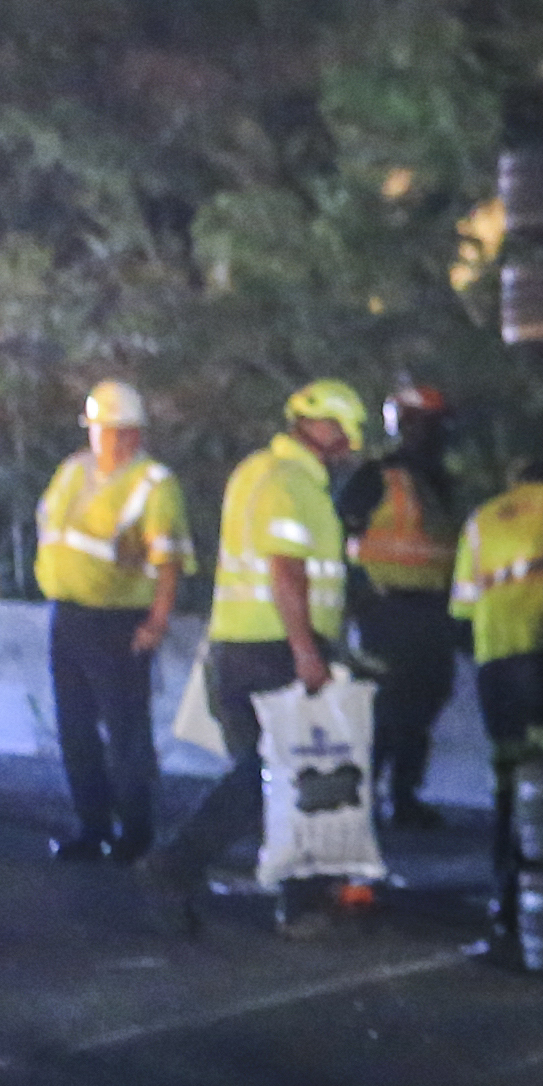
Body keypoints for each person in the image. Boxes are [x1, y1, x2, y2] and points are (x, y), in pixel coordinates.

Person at [155, 378, 367, 930]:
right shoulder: (290, 482)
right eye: (344, 431)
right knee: (283, 777)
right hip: (277, 650)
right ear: (318, 426)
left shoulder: (256, 472)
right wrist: (307, 653)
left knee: (275, 777)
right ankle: (181, 864)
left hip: (239, 646)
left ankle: (295, 898)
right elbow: (285, 569)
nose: (350, 444)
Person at [29, 380, 188, 861]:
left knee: (125, 733)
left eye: (121, 431)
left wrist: (157, 621)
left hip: (120, 621)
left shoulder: (154, 483)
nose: (112, 439)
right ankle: (92, 827)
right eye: (103, 429)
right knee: (75, 728)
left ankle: (136, 833)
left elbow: (170, 560)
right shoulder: (72, 471)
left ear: (137, 434)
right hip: (70, 616)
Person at [456, 442, 543, 906]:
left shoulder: (481, 518)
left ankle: (506, 887)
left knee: (508, 769)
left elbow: (461, 605)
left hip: (495, 656)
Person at [340, 382, 465, 827]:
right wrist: (359, 600)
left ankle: (404, 794)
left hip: (432, 612)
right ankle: (366, 793)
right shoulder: (376, 478)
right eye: (426, 424)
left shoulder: (441, 483)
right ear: (406, 425)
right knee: (387, 707)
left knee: (424, 702)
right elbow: (340, 538)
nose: (433, 434)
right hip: (387, 612)